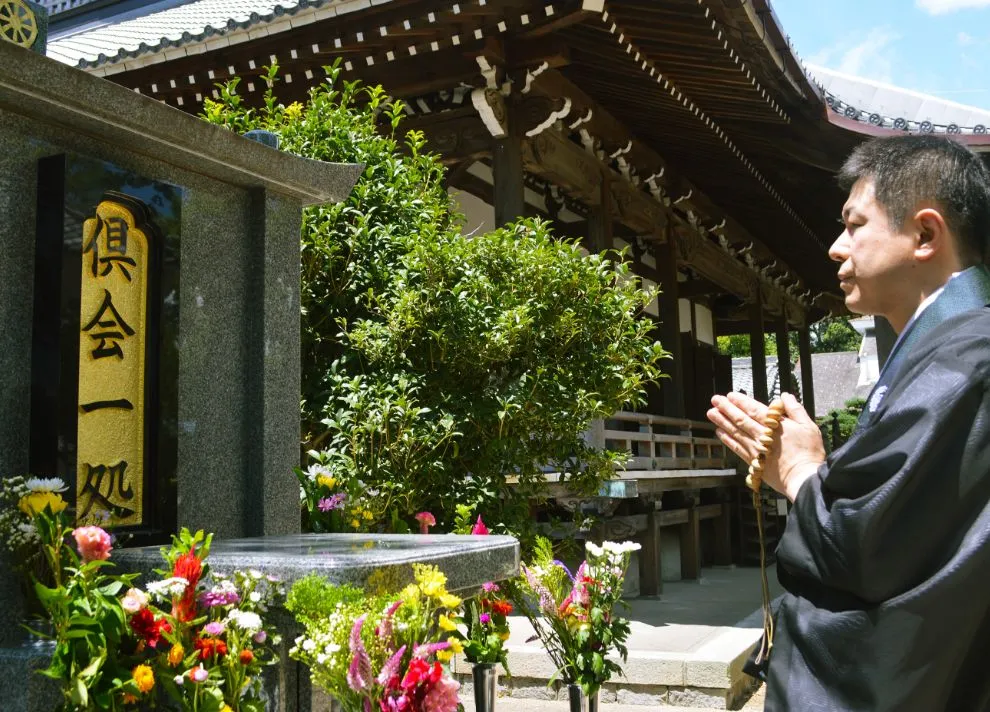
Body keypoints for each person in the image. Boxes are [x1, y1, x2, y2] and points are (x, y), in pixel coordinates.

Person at [707, 135, 990, 711]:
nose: (836, 248)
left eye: (854, 225)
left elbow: (869, 552)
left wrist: (804, 471)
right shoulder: (949, 352)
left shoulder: (966, 364)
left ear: (926, 235)